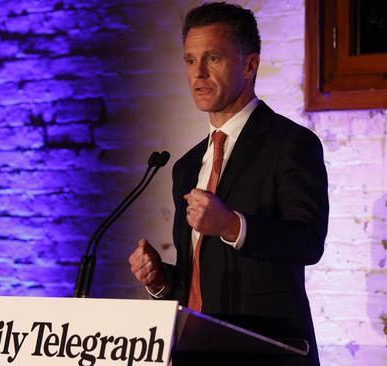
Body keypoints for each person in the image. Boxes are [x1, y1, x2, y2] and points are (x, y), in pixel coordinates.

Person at [128, 2, 328, 365]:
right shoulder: (186, 166)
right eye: (190, 61)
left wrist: (231, 224)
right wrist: (160, 281)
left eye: (213, 58)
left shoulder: (290, 144)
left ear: (250, 65)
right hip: (196, 354)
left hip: (266, 353)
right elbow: (200, 281)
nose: (198, 74)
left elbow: (308, 242)